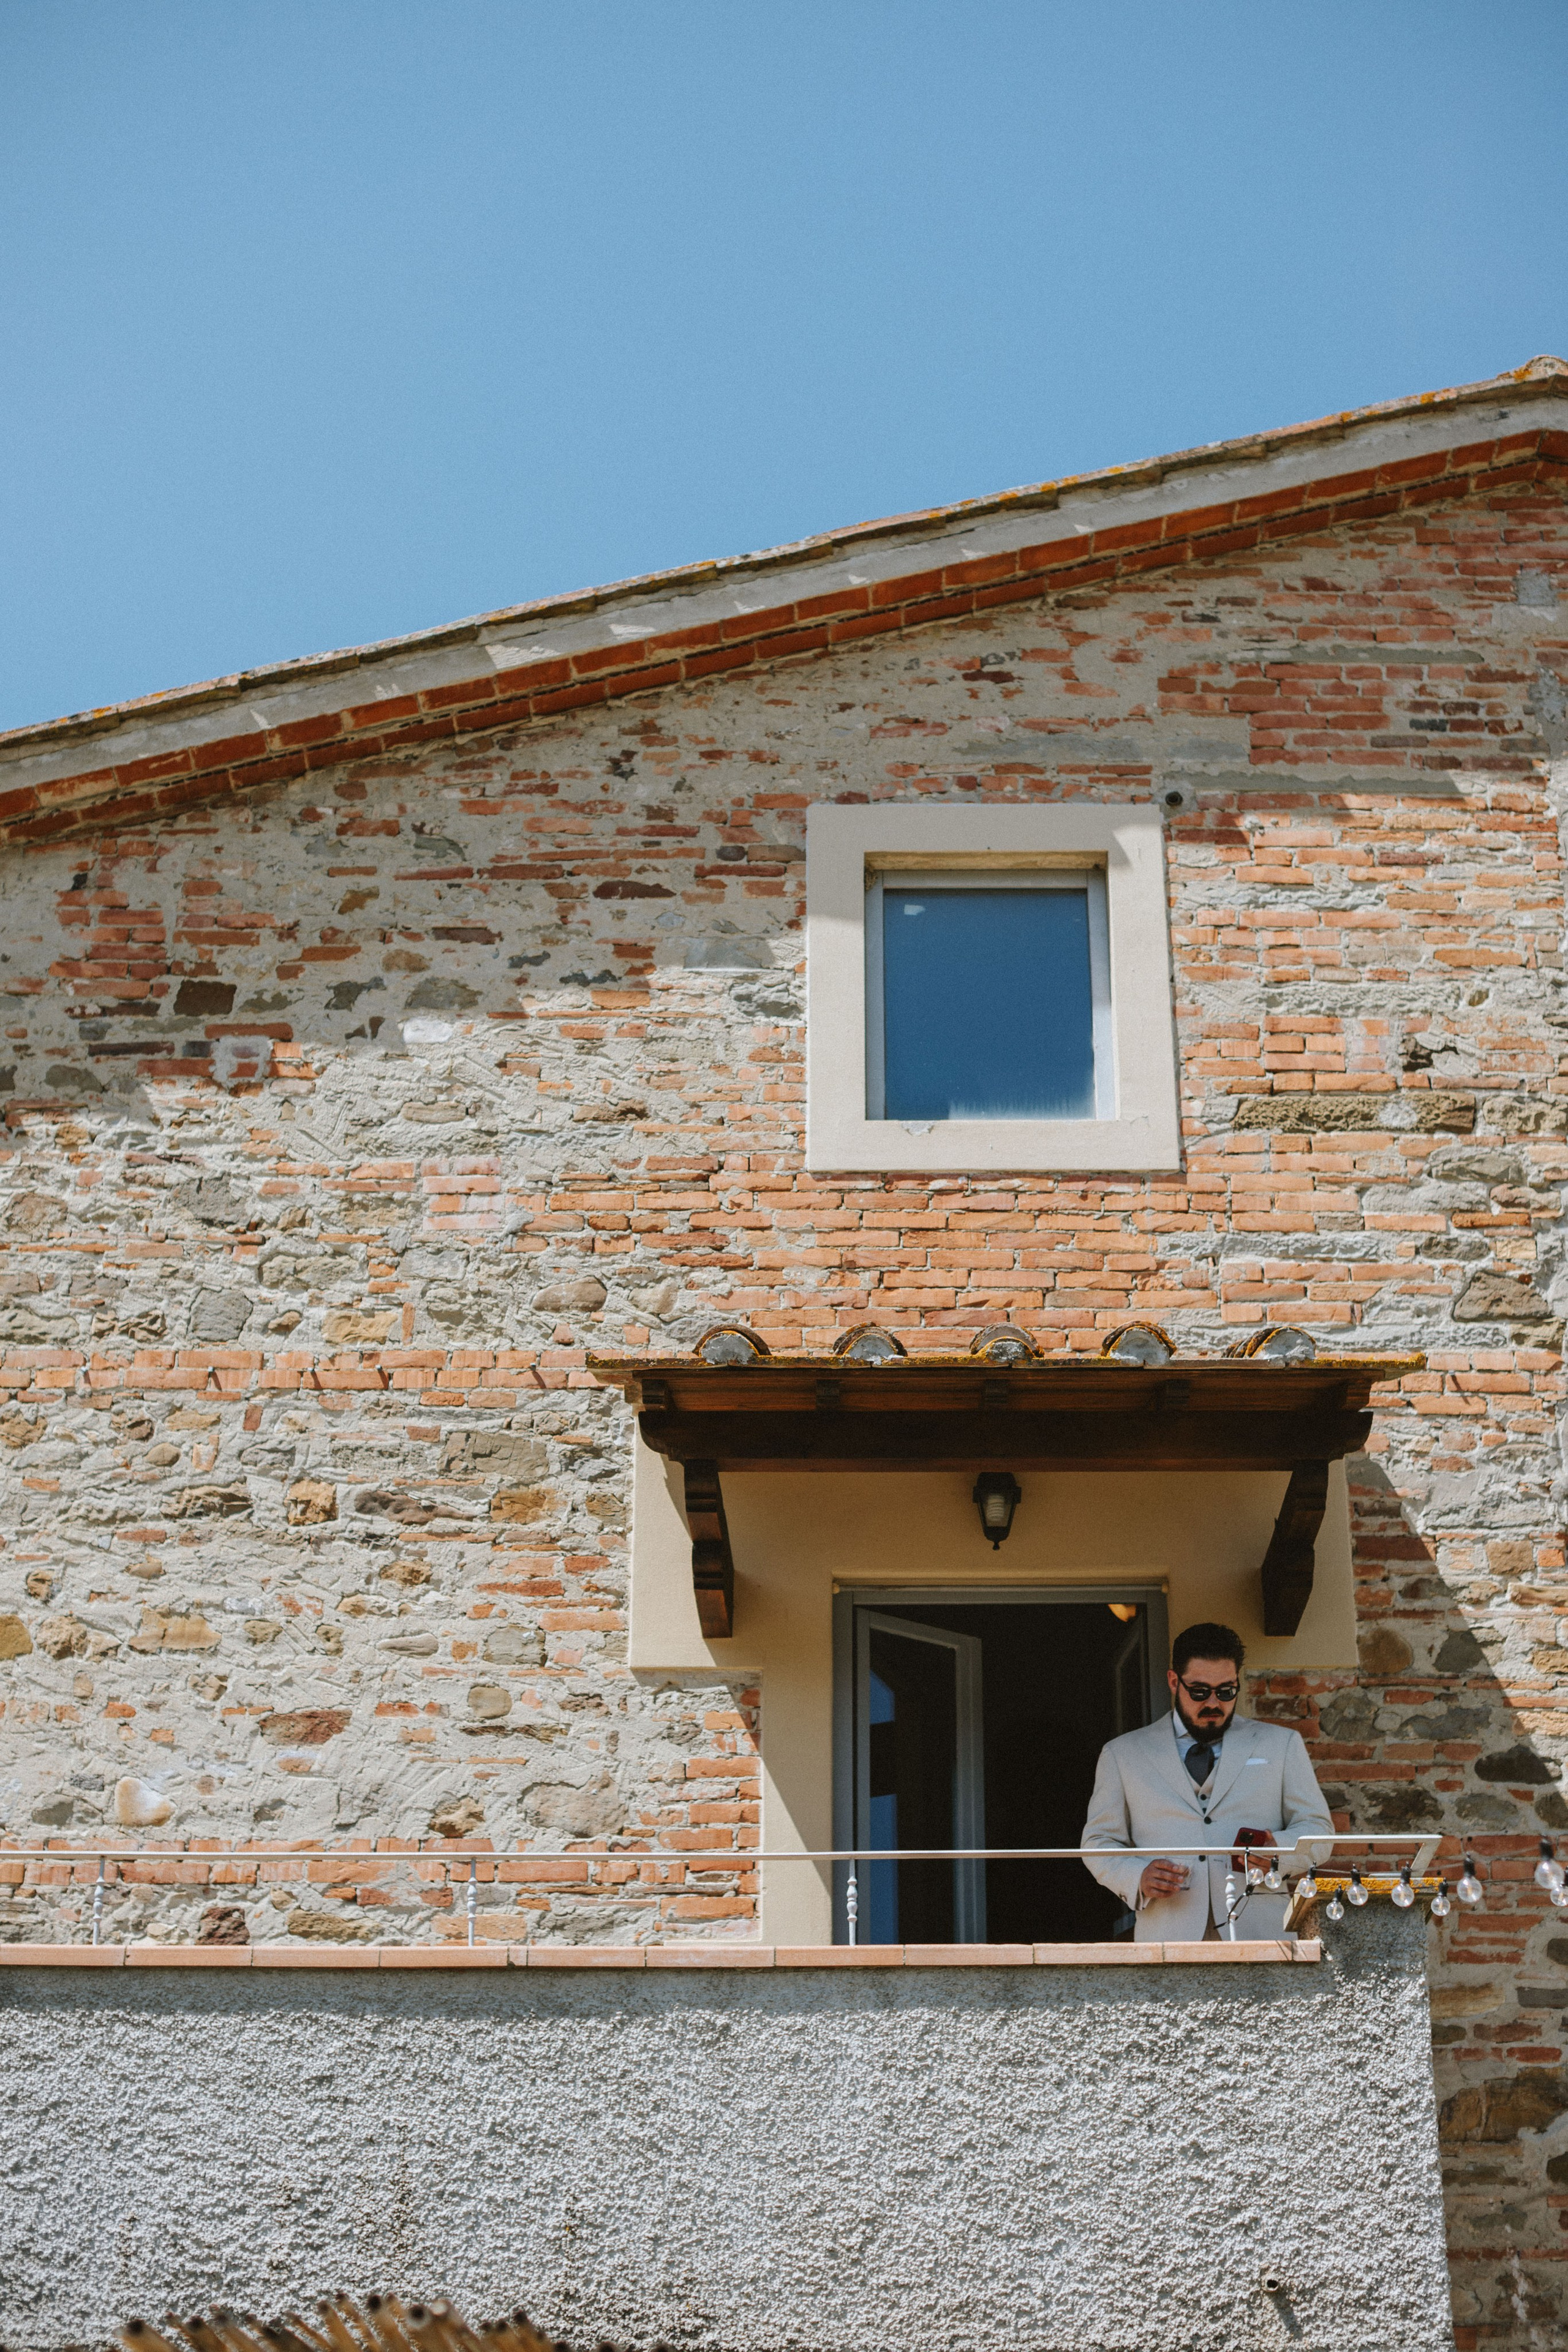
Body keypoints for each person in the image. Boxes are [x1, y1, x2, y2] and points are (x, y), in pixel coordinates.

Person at [1080, 1621, 1336, 1942]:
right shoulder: (1123, 1754)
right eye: (1200, 1692)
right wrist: (1138, 1876)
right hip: (1167, 1934)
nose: (1214, 1703)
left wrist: (1278, 1851)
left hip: (1262, 1933)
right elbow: (1099, 1842)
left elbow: (1318, 1830)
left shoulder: (1281, 1744)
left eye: (1226, 1691)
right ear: (1174, 1682)